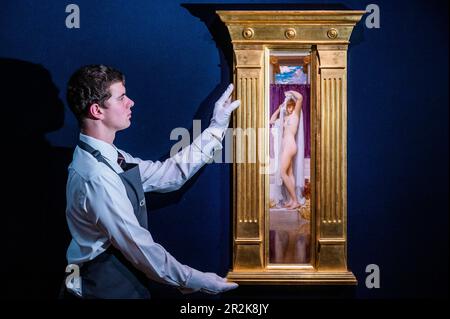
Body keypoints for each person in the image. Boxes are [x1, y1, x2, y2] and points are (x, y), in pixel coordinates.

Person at [62, 64, 240, 299]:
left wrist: (215, 128)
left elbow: (169, 174)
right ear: (97, 110)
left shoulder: (112, 156)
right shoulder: (97, 176)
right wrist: (197, 280)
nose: (131, 102)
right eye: (122, 97)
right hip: (105, 289)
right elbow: (138, 247)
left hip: (123, 281)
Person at [269, 90, 304, 209]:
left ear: (294, 107)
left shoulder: (295, 115)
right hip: (287, 147)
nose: (289, 109)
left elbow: (300, 97)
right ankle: (291, 199)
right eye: (288, 107)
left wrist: (289, 92)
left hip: (290, 146)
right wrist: (279, 109)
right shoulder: (285, 118)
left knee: (282, 173)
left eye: (291, 106)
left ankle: (295, 201)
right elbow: (271, 120)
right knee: (289, 173)